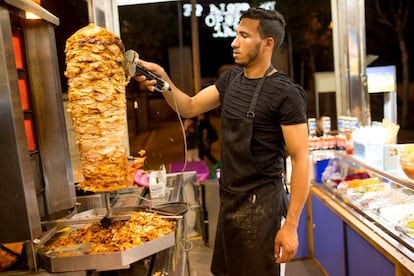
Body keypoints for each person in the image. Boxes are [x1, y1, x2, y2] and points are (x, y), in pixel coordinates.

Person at [135, 7, 310, 276]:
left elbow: (300, 160)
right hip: (229, 204)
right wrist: (163, 81)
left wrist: (291, 227)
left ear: (267, 43)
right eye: (235, 34)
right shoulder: (232, 80)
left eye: (244, 35)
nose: (234, 42)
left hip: (263, 209)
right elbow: (190, 106)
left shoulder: (286, 94)